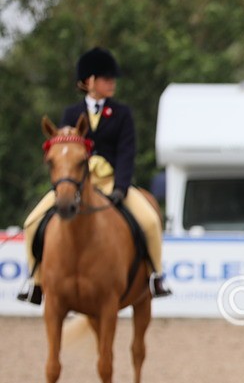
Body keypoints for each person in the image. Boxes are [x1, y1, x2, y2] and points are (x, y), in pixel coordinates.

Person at [18, 47, 169, 304]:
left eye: (112, 79)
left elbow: (126, 153)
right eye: (106, 78)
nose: (112, 83)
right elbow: (62, 155)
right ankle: (36, 282)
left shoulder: (122, 113)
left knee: (150, 221)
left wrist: (121, 187)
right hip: (76, 183)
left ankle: (155, 276)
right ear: (89, 81)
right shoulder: (70, 113)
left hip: (112, 182)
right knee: (32, 222)